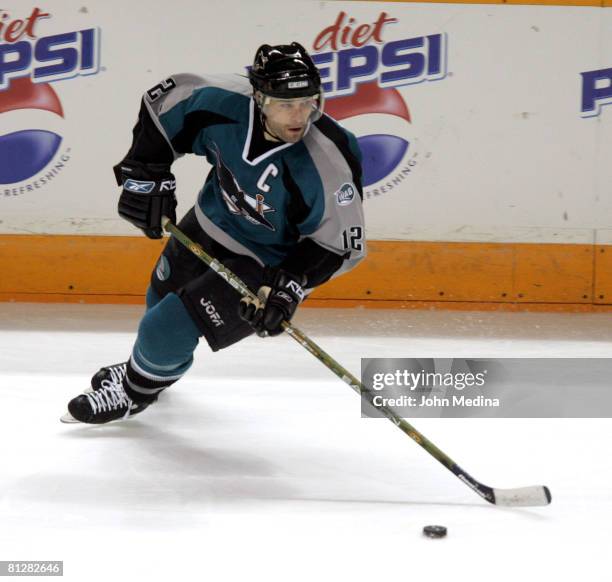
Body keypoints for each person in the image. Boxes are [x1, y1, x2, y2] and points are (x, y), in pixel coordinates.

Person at [61, 42, 366, 424]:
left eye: (308, 101)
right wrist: (145, 176)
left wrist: (290, 284)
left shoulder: (330, 157)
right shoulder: (220, 101)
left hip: (263, 263)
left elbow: (340, 243)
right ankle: (153, 373)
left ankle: (133, 392)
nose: (300, 115)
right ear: (258, 97)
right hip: (208, 222)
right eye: (285, 104)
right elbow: (163, 102)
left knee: (164, 329)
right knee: (157, 300)